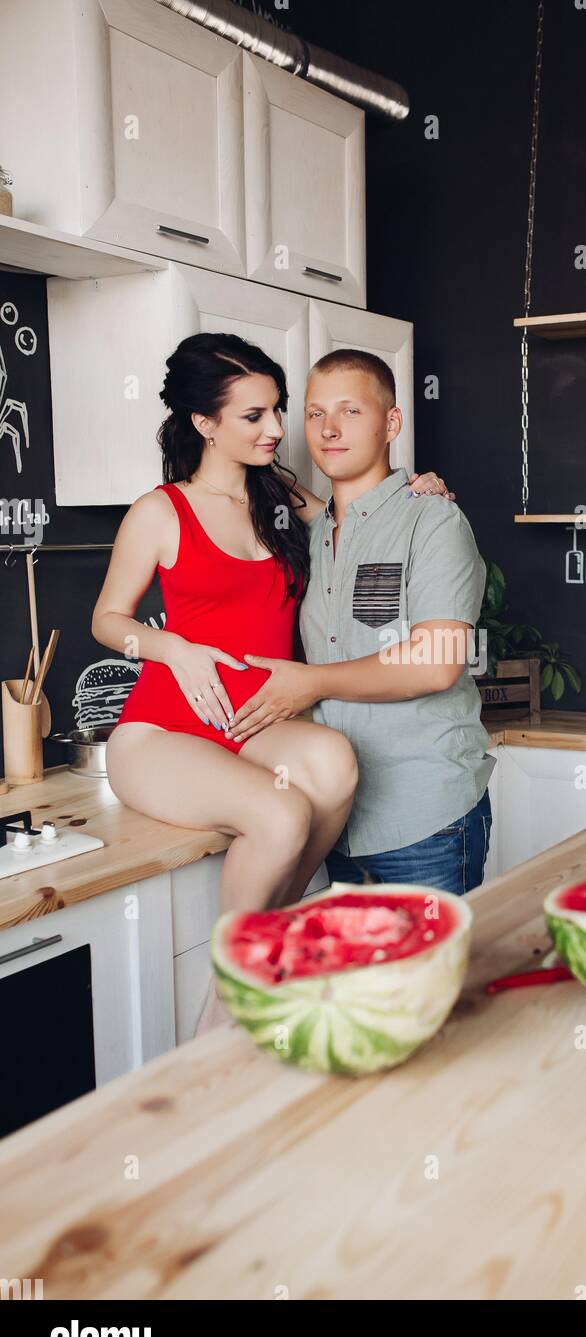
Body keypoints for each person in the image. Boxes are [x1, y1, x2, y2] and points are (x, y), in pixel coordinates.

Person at [93, 333, 454, 926]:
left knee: (336, 763)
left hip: (252, 718)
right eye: (255, 415)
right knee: (281, 813)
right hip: (165, 726)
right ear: (206, 423)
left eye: (279, 409)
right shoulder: (160, 510)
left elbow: (362, 517)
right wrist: (173, 648)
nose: (279, 428)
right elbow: (107, 620)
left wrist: (419, 492)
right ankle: (236, 993)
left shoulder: (279, 495)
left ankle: (268, 940)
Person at [226, 349, 495, 895]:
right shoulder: (307, 535)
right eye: (315, 413)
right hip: (335, 824)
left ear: (391, 422)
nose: (328, 429)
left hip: (425, 822)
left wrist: (311, 684)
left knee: (427, 984)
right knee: (352, 984)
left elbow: (437, 664)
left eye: (350, 412)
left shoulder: (432, 519)